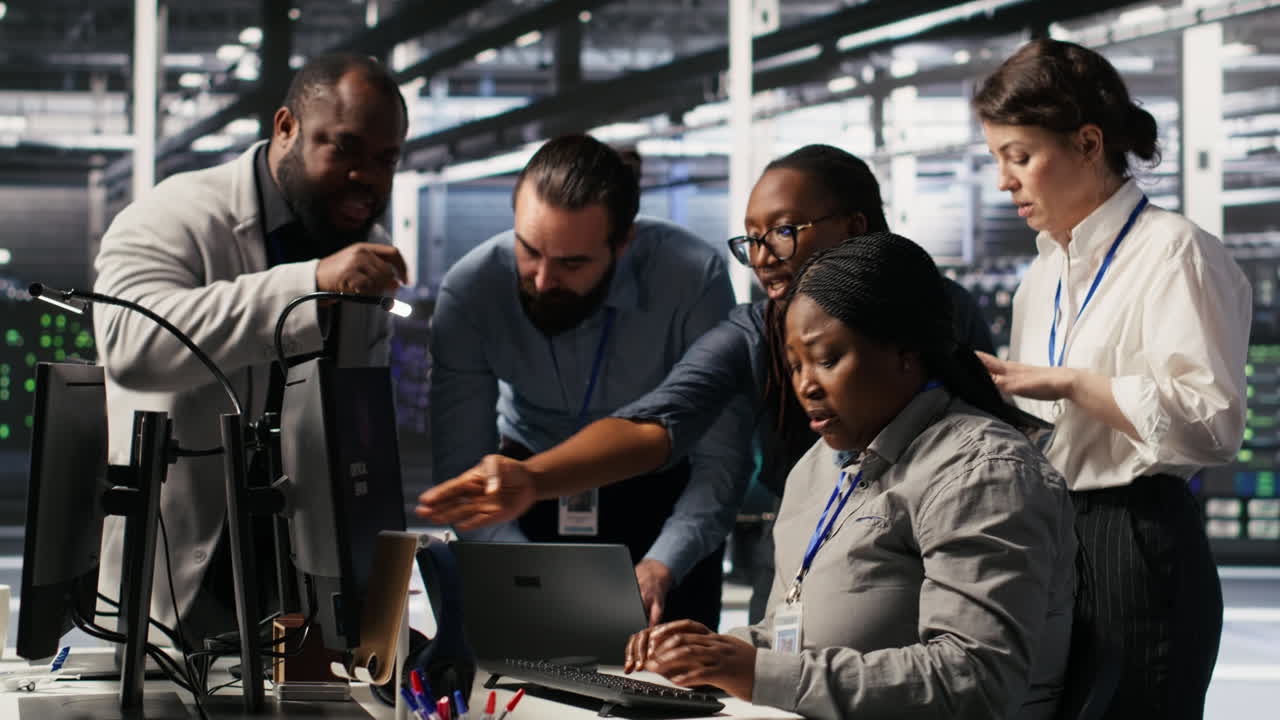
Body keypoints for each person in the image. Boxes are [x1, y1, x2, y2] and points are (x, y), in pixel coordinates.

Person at [417, 144, 995, 620]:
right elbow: (659, 422)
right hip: (809, 543)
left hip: (935, 541)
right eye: (753, 239)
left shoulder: (941, 315)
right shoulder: (751, 331)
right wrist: (532, 478)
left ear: (853, 226)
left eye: (783, 232)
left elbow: (986, 437)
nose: (764, 256)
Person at [624, 233, 1076, 719]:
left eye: (827, 359)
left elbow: (975, 679)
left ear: (906, 351)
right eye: (794, 365)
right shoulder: (817, 467)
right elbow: (794, 636)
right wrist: (708, 654)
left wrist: (756, 672)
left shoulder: (982, 473)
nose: (806, 386)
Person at [973, 39, 1251, 718]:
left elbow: (1212, 424)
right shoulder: (1040, 275)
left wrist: (1071, 383)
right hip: (1053, 535)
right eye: (997, 162)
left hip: (1137, 538)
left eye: (1020, 157)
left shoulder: (1174, 251)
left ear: (1088, 143)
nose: (1005, 182)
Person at [93, 52, 409, 645]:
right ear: (285, 127)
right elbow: (129, 343)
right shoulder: (176, 214)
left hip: (299, 589)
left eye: (384, 159)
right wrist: (308, 284)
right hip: (178, 583)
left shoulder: (364, 248)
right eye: (343, 148)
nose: (365, 176)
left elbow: (352, 422)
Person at [428, 134, 752, 629]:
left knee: (675, 687)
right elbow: (462, 464)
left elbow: (720, 457)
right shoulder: (471, 289)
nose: (542, 280)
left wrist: (664, 563)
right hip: (524, 489)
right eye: (529, 250)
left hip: (660, 495)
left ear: (623, 243)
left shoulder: (692, 279)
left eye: (572, 263)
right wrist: (520, 574)